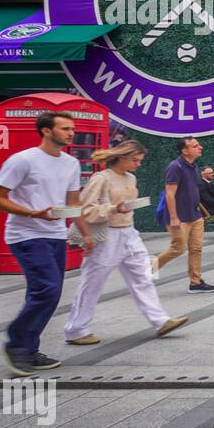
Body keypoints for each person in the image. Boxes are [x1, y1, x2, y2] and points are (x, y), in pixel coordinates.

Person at [0, 112, 86, 376]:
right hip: (26, 234)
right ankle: (16, 345)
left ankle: (28, 349)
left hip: (56, 235)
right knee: (46, 290)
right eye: (65, 128)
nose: (71, 133)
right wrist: (32, 213)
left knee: (47, 293)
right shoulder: (23, 160)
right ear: (46, 131)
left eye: (72, 129)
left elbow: (73, 203)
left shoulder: (71, 163)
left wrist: (87, 233)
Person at [62, 141, 188, 346]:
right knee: (92, 283)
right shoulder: (101, 178)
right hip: (106, 236)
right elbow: (85, 210)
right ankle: (75, 329)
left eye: (140, 161)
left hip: (129, 232)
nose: (138, 164)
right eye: (135, 160)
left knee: (144, 276)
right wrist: (113, 208)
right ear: (122, 157)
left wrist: (124, 208)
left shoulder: (131, 177)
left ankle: (160, 321)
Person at [155, 137, 214, 293]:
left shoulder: (193, 166)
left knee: (196, 249)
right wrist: (174, 217)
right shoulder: (175, 166)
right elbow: (170, 194)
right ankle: (144, 272)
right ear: (185, 150)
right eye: (196, 146)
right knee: (177, 249)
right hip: (179, 217)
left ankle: (195, 283)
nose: (200, 147)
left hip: (194, 215)